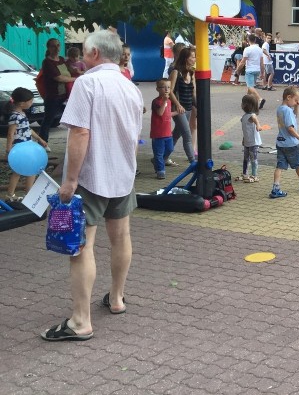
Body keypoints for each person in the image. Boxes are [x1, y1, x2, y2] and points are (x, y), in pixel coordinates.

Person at [40, 30, 143, 342]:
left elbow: (80, 133)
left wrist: (70, 181)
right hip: (123, 175)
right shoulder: (131, 87)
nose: (80, 58)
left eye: (84, 52)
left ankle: (81, 320)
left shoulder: (86, 84)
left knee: (81, 247)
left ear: (95, 54)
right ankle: (116, 298)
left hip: (92, 176)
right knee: (121, 237)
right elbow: (134, 136)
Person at [5, 88, 50, 201]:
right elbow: (10, 133)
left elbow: (28, 129)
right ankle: (10, 195)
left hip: (28, 147)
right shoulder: (15, 116)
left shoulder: (22, 113)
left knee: (32, 169)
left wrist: (39, 139)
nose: (32, 103)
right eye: (30, 101)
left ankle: (29, 194)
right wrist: (8, 149)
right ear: (22, 103)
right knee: (18, 171)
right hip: (20, 148)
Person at [271, 86, 299, 198]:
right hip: (291, 143)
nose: (296, 102)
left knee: (280, 166)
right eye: (295, 100)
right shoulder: (287, 111)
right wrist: (298, 137)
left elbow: (294, 116)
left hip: (281, 142)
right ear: (288, 97)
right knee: (297, 164)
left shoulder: (280, 109)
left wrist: (296, 106)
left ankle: (275, 188)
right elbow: (290, 128)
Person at [38, 38, 77, 143]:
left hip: (65, 95)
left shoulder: (61, 59)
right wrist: (76, 79)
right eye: (53, 46)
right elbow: (59, 78)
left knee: (73, 120)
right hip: (53, 97)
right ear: (49, 48)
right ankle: (42, 143)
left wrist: (81, 71)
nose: (57, 48)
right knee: (48, 121)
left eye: (58, 45)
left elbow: (71, 70)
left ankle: (74, 142)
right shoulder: (47, 62)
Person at [168, 47, 196, 164]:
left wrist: (197, 106)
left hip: (188, 108)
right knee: (187, 135)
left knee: (176, 134)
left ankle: (161, 158)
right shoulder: (176, 72)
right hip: (178, 109)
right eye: (192, 57)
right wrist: (178, 105)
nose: (195, 59)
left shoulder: (191, 72)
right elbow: (170, 91)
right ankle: (193, 161)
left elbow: (193, 92)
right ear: (186, 58)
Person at [149, 79, 175, 180]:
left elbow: (167, 114)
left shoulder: (168, 101)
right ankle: (160, 170)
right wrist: (164, 101)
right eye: (163, 87)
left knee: (170, 149)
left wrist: (178, 112)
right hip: (158, 133)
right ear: (157, 89)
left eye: (168, 87)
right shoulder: (156, 101)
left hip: (167, 132)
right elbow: (160, 113)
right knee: (159, 153)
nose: (166, 89)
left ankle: (157, 161)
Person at [238, 94, 263, 183]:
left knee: (253, 159)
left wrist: (258, 126)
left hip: (253, 142)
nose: (241, 104)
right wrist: (244, 139)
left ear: (247, 105)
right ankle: (245, 173)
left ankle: (254, 175)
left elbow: (255, 119)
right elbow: (245, 130)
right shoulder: (244, 116)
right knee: (246, 158)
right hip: (247, 141)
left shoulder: (251, 115)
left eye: (243, 103)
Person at [239, 35, 265, 110]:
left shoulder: (247, 49)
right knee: (250, 87)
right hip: (257, 70)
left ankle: (260, 99)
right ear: (255, 40)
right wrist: (262, 73)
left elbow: (242, 62)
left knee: (250, 86)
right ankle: (246, 102)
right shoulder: (260, 49)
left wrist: (238, 70)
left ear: (248, 40)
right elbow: (262, 63)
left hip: (250, 70)